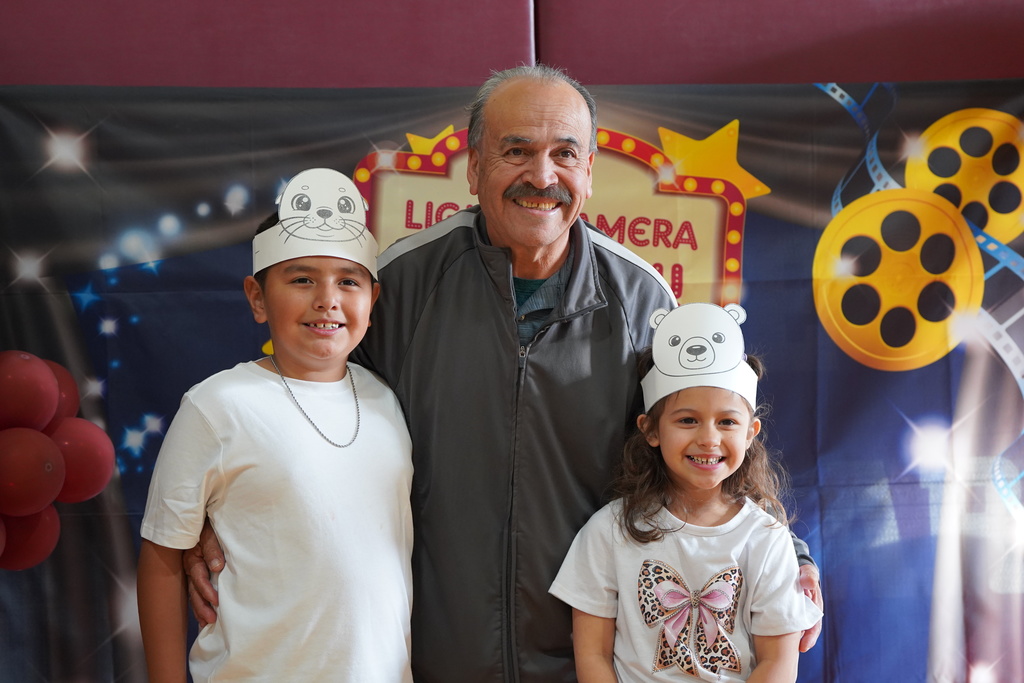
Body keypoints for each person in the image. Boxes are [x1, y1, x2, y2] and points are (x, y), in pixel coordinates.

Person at [186, 66, 822, 681]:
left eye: (564, 154)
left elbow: (706, 436)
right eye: (516, 151)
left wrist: (785, 551)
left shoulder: (643, 299)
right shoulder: (402, 285)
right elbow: (307, 407)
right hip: (429, 656)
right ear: (474, 167)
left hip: (596, 660)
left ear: (589, 172)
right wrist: (220, 512)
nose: (541, 176)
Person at [137, 168, 414, 682]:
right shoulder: (217, 405)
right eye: (302, 278)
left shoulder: (387, 402)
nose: (327, 299)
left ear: (371, 304)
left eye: (348, 281)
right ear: (258, 297)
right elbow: (160, 556)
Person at [550, 302, 822, 682]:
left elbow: (777, 662)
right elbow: (593, 655)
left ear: (750, 433)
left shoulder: (767, 539)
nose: (708, 438)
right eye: (688, 420)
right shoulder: (608, 531)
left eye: (727, 421)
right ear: (651, 430)